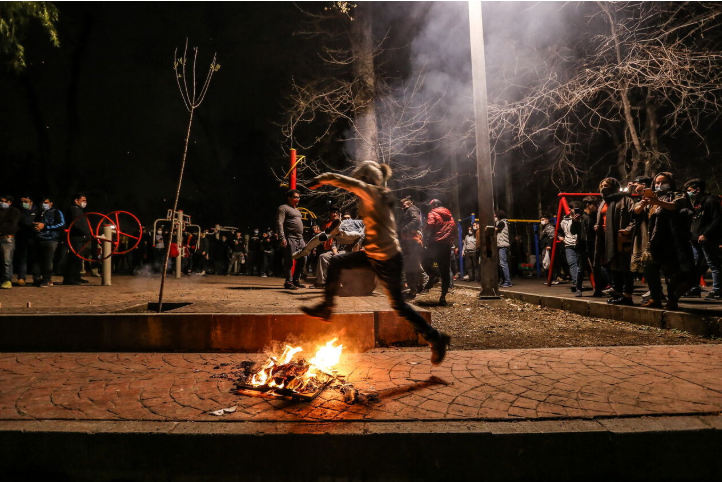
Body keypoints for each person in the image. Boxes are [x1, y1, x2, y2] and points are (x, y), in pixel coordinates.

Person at [301, 161, 451, 365]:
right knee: (337, 262)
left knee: (398, 305)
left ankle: (436, 338)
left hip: (387, 258)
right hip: (375, 255)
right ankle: (326, 308)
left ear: (367, 179)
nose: (358, 184)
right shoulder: (380, 193)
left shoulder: (372, 191)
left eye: (361, 179)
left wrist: (321, 179)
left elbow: (343, 181)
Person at [635, 172, 695, 310]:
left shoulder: (678, 194)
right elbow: (637, 210)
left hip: (671, 239)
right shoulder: (652, 198)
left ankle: (672, 300)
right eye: (657, 182)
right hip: (653, 239)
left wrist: (658, 202)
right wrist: (644, 204)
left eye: (663, 182)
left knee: (671, 272)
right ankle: (655, 297)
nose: (659, 185)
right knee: (649, 269)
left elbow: (675, 205)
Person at [595, 178, 636, 305]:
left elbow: (634, 218)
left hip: (620, 237)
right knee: (612, 266)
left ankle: (627, 295)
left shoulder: (625, 199)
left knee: (624, 267)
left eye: (606, 185)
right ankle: (618, 293)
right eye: (601, 185)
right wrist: (597, 225)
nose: (603, 188)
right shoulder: (603, 202)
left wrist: (628, 230)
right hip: (605, 238)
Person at [684, 179, 722, 300]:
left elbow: (717, 219)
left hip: (707, 239)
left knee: (713, 264)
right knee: (696, 265)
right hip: (695, 239)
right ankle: (695, 288)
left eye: (689, 190)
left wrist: (705, 234)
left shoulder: (710, 201)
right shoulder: (697, 202)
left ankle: (717, 291)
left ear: (697, 189)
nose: (687, 193)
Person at [424, 199, 457, 305]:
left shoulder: (433, 213)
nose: (431, 207)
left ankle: (433, 274)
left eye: (432, 205)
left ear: (435, 205)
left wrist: (425, 237)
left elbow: (430, 225)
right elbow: (455, 230)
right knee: (445, 271)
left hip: (435, 243)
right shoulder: (450, 216)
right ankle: (443, 296)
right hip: (446, 245)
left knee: (425, 260)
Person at [277, 189, 307, 289]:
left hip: (300, 239)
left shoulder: (297, 210)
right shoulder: (283, 208)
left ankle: (296, 280)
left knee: (303, 259)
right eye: (295, 197)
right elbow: (279, 223)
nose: (298, 199)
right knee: (289, 260)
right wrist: (282, 238)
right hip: (290, 238)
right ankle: (288, 282)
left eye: (298, 197)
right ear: (289, 198)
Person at [33, 197, 65, 287]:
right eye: (42, 202)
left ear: (51, 203)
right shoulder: (39, 213)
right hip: (38, 238)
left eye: (46, 202)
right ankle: (36, 279)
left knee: (48, 260)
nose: (44, 204)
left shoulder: (56, 212)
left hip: (51, 239)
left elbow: (62, 224)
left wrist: (46, 226)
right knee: (37, 261)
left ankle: (47, 279)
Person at [398, 196, 425, 297]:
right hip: (409, 241)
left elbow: (415, 220)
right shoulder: (408, 210)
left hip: (412, 241)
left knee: (411, 266)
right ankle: (415, 287)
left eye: (404, 205)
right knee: (411, 265)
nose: (402, 208)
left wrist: (404, 229)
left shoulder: (411, 209)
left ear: (410, 204)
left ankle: (418, 286)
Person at [63, 193, 91, 285]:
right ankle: (69, 278)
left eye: (85, 201)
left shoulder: (79, 210)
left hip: (80, 237)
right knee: (74, 257)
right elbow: (77, 223)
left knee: (79, 258)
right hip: (75, 237)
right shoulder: (74, 209)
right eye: (83, 200)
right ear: (76, 200)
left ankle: (76, 276)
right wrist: (87, 233)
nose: (85, 202)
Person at [559, 201, 585, 296]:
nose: (574, 210)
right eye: (573, 208)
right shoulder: (564, 220)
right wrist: (560, 236)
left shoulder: (582, 219)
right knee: (572, 264)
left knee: (581, 266)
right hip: (569, 245)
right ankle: (576, 283)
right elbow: (559, 231)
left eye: (576, 209)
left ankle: (578, 283)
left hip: (580, 244)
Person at [15, 195, 38, 286]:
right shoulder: (18, 211)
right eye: (22, 202)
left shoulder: (37, 211)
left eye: (25, 201)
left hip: (34, 237)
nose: (23, 203)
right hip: (22, 237)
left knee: (36, 259)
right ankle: (21, 277)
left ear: (31, 202)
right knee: (22, 259)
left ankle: (36, 278)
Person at [0, 195, 22, 289]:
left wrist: (2, 231)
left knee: (7, 260)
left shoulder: (14, 211)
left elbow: (12, 224)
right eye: (1, 201)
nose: (2, 203)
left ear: (9, 202)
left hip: (7, 238)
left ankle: (7, 280)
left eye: (4, 201)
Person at [495, 210, 512, 288]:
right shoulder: (501, 223)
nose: (494, 217)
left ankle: (508, 281)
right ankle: (505, 280)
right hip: (501, 245)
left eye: (495, 216)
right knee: (502, 264)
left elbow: (495, 229)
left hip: (503, 245)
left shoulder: (502, 223)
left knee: (503, 263)